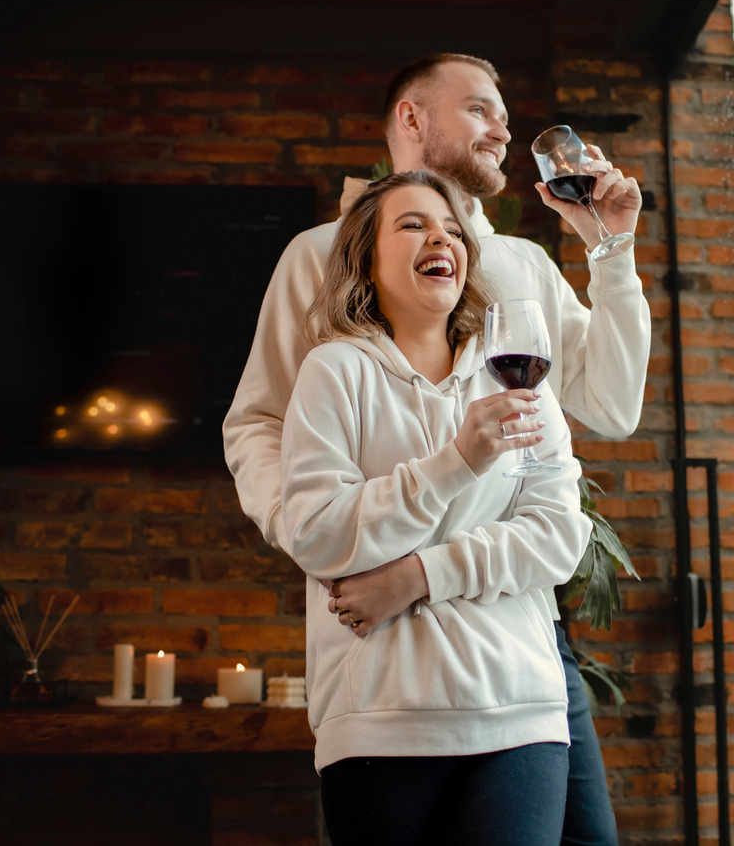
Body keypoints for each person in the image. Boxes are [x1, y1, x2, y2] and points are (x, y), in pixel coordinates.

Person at [223, 53, 646, 845]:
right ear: (413, 121)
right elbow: (257, 424)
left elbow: (612, 405)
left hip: (516, 628)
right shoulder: (317, 260)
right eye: (482, 110)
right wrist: (327, 539)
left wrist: (610, 253)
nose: (505, 129)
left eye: (506, 116)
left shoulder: (523, 265)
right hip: (387, 655)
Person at [279, 169, 592, 845]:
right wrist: (458, 462)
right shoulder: (334, 372)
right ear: (366, 255)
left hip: (520, 714)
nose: (441, 237)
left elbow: (560, 536)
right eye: (413, 223)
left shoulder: (521, 380)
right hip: (381, 720)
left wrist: (418, 575)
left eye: (453, 228)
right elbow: (315, 532)